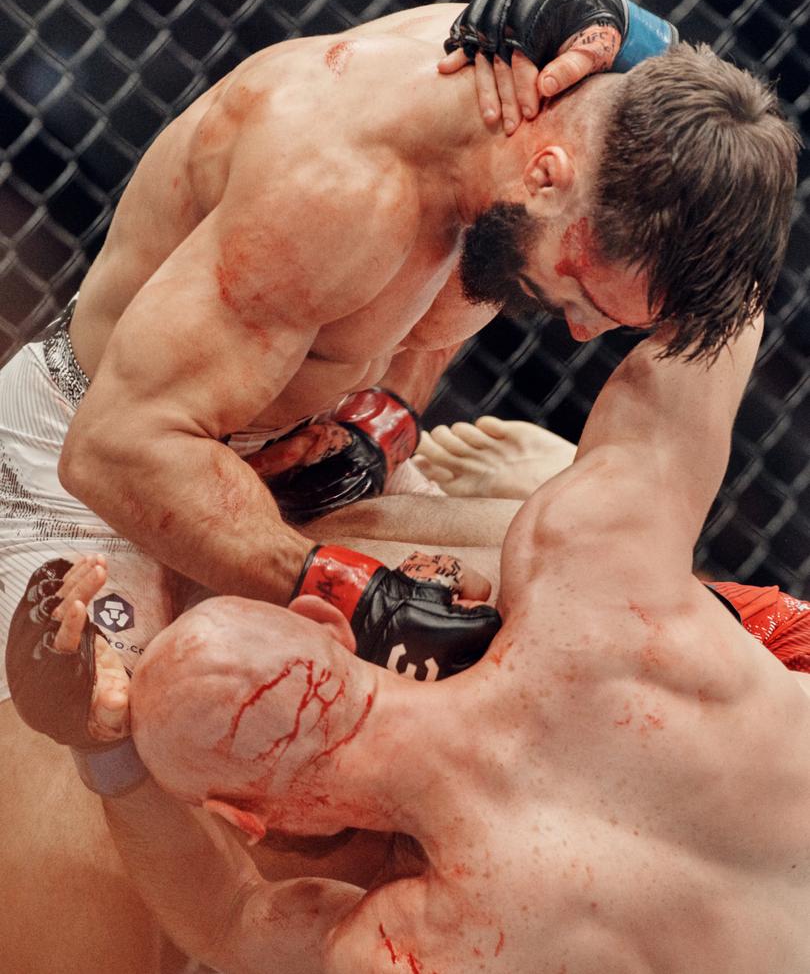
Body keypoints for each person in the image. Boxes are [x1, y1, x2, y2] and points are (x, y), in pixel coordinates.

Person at [40, 311, 810, 972]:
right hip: (693, 660)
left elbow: (230, 919)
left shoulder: (420, 941)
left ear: (247, 817)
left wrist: (102, 749)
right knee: (499, 555)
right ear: (321, 621)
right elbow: (721, 310)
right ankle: (546, 487)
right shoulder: (585, 575)